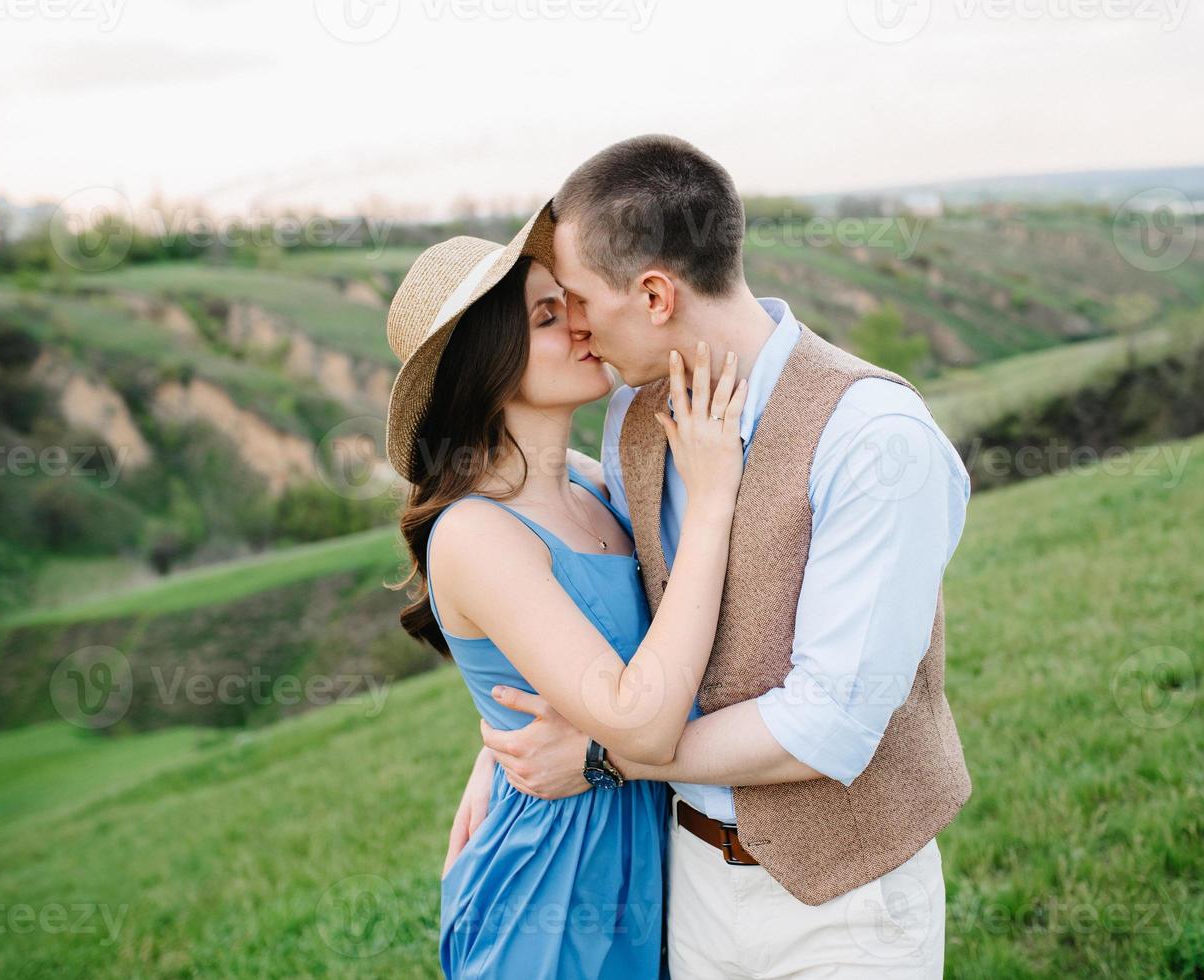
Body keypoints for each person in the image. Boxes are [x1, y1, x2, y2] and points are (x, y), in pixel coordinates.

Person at [454, 135, 974, 977]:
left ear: (655, 294)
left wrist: (598, 757)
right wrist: (507, 745)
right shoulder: (632, 417)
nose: (576, 330)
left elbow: (826, 727)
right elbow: (609, 613)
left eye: (578, 300)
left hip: (846, 907)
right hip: (687, 884)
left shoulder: (875, 440)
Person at [385, 203, 748, 979]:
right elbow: (639, 725)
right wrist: (713, 501)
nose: (583, 325)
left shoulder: (592, 482)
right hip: (549, 885)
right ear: (489, 361)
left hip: (643, 852)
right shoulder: (476, 533)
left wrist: (489, 753)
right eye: (549, 316)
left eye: (572, 304)